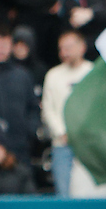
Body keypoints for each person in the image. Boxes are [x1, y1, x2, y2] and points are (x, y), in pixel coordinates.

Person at [40, 30, 92, 196]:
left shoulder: (93, 72)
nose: (64, 53)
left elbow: (98, 108)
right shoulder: (53, 75)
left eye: (68, 48)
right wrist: (61, 132)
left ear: (82, 47)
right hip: (62, 143)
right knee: (63, 192)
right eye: (61, 49)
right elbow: (48, 108)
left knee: (90, 192)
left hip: (89, 143)